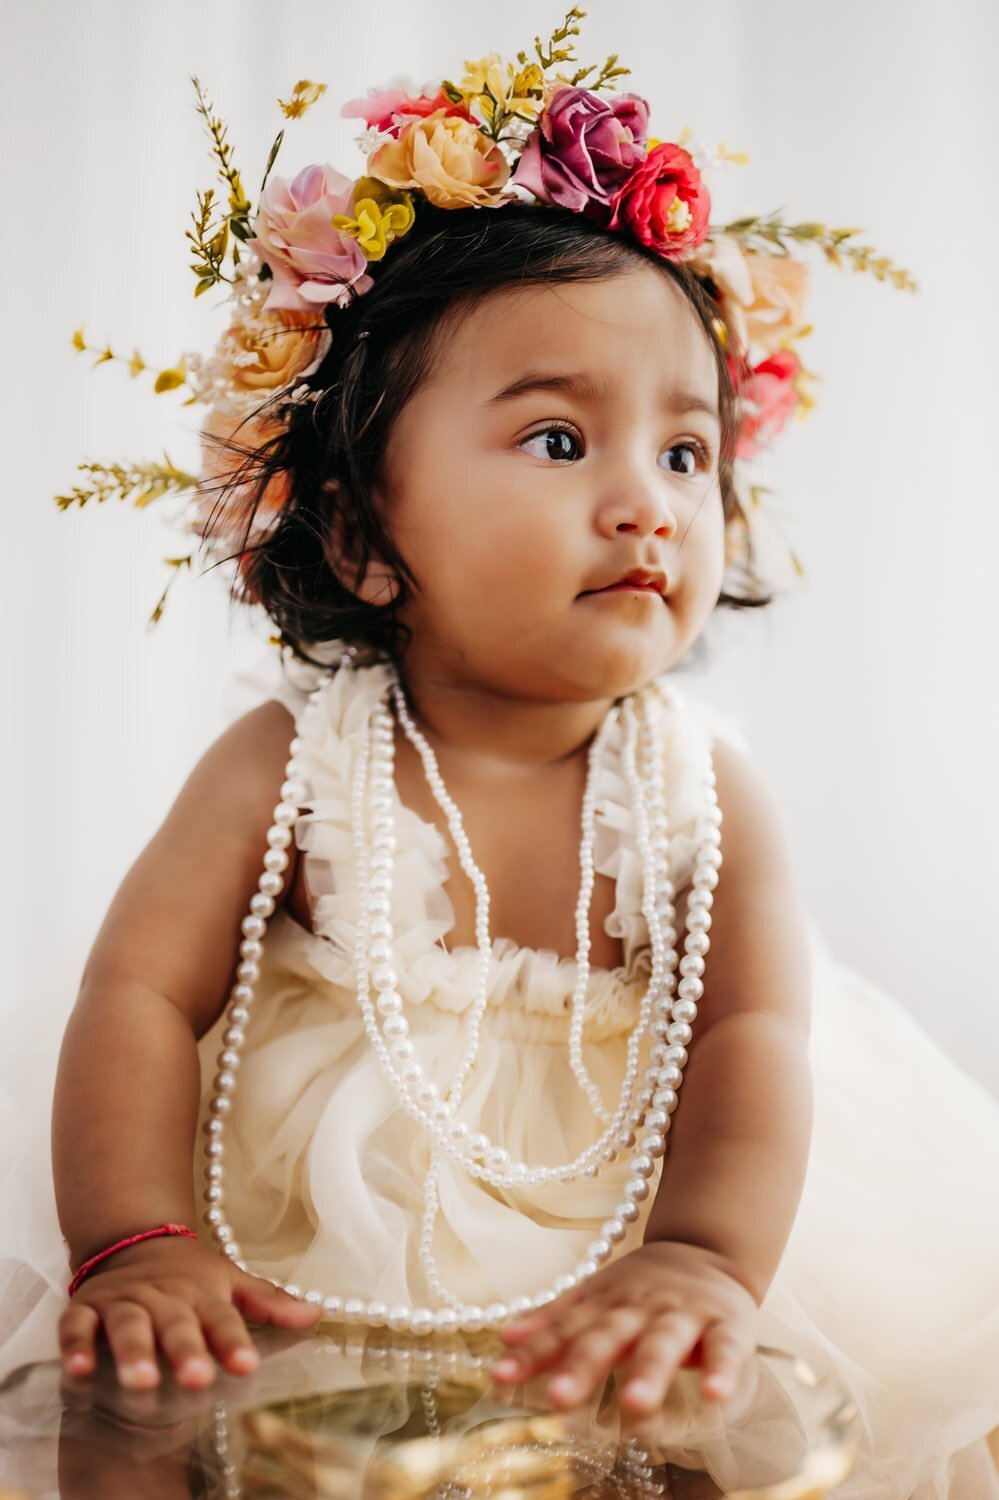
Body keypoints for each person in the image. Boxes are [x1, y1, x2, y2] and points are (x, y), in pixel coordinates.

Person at [3, 28, 998, 1499]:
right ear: (358, 536)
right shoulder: (288, 760)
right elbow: (140, 995)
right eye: (555, 439)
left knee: (710, 1427)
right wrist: (136, 1241)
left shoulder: (702, 792)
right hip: (303, 1240)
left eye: (684, 453)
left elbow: (751, 1042)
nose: (646, 505)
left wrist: (703, 1257)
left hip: (641, 1216)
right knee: (165, 1435)